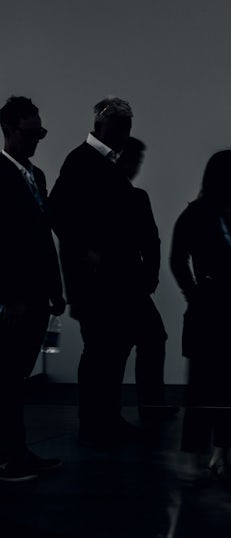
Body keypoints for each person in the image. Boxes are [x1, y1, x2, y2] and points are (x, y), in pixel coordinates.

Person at [48, 96, 142, 446]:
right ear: (106, 126)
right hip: (95, 282)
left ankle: (105, 418)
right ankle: (95, 421)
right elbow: (56, 210)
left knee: (111, 349)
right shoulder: (82, 161)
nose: (127, 133)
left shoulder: (101, 161)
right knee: (101, 350)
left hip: (109, 279)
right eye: (123, 127)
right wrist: (85, 250)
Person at [171, 150, 231, 480]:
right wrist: (194, 293)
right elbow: (177, 259)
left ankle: (220, 456)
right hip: (209, 315)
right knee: (203, 389)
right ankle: (194, 458)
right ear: (222, 181)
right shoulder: (198, 215)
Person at [0, 97, 65, 482]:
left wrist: (56, 288)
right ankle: (10, 458)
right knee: (8, 378)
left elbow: (44, 238)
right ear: (8, 130)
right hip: (16, 300)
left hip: (37, 297)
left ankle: (16, 452)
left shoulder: (35, 175)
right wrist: (9, 297)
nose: (37, 140)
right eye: (30, 132)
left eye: (41, 132)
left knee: (16, 378)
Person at [117, 137, 175, 422]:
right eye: (133, 160)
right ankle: (149, 406)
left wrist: (149, 277)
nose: (136, 166)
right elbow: (151, 241)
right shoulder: (132, 197)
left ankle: (147, 407)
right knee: (147, 340)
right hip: (125, 284)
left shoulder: (134, 196)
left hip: (129, 284)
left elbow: (152, 241)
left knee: (141, 341)